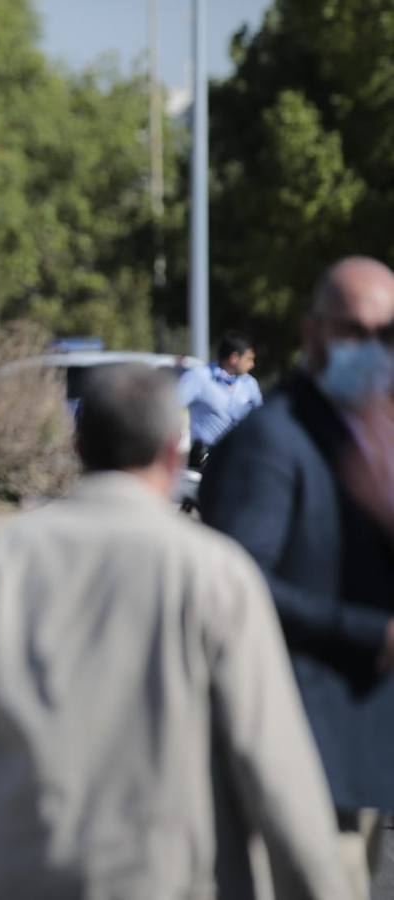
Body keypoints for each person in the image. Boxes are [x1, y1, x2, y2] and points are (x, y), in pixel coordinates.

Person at [0, 364, 348, 900]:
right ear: (173, 452)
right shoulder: (215, 572)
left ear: (78, 447)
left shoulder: (4, 563)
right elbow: (274, 766)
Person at [200, 256, 394, 899]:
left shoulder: (368, 431)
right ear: (312, 333)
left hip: (360, 754)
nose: (373, 350)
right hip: (299, 753)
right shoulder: (273, 440)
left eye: (387, 334)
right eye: (355, 331)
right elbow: (238, 583)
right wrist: (373, 633)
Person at [177, 330, 263, 464]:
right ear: (234, 358)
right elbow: (169, 407)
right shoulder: (199, 377)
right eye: (249, 359)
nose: (252, 365)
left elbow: (260, 419)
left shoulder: (250, 384)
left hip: (241, 460)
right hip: (205, 461)